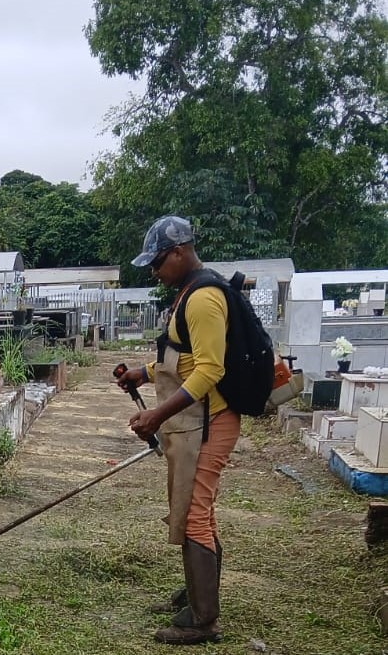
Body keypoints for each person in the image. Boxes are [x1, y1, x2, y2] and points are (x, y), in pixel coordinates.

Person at [116, 215, 240, 646]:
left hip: (210, 423)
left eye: (157, 262)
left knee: (193, 515)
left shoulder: (203, 299)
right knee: (196, 510)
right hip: (195, 422)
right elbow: (181, 360)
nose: (154, 271)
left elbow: (209, 369)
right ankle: (195, 592)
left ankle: (204, 619)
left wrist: (156, 415)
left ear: (181, 251)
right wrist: (142, 373)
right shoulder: (188, 293)